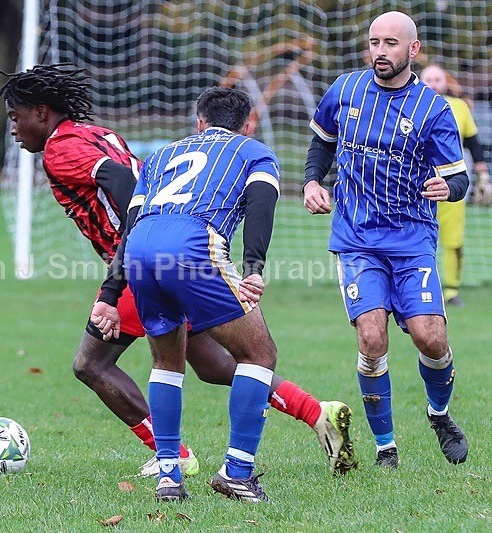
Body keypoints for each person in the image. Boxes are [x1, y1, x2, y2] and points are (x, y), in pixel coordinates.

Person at [0, 65, 356, 484]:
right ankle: (317, 412)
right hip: (171, 258)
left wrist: (136, 243)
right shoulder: (91, 133)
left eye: (15, 117)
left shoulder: (62, 148)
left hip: (141, 262)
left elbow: (121, 179)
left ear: (41, 112)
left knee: (91, 364)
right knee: (214, 364)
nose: (14, 129)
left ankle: (174, 457)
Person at [91, 86, 352, 503]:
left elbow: (132, 223)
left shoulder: (161, 156)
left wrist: (108, 293)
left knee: (166, 360)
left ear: (199, 123)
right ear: (247, 125)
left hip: (141, 249)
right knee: (259, 353)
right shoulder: (253, 152)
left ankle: (169, 476)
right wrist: (254, 269)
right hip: (192, 247)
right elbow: (262, 204)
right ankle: (237, 472)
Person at [303, 11, 470, 468]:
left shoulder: (432, 109)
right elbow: (322, 142)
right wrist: (313, 182)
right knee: (372, 338)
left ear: (412, 50)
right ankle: (386, 447)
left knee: (430, 337)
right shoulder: (345, 90)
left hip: (412, 239)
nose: (380, 51)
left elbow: (459, 178)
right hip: (356, 239)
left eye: (391, 44)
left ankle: (439, 414)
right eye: (374, 42)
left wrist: (446, 188)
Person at [420, 64, 492, 306]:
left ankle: (451, 291)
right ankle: (418, 287)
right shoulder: (409, 105)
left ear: (445, 82)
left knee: (453, 237)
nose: (433, 83)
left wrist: (483, 175)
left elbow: (474, 143)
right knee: (417, 237)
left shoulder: (460, 107)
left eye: (437, 79)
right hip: (415, 183)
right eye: (428, 79)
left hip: (452, 181)